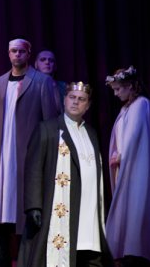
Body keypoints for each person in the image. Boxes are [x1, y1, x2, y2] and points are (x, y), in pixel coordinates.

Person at [0, 39, 59, 266]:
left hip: (26, 152)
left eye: (21, 52)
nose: (17, 55)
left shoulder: (42, 82)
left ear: (28, 54)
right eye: (13, 51)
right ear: (8, 54)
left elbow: (51, 123)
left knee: (25, 205)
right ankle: (1, 257)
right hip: (1, 153)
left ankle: (30, 258)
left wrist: (49, 155)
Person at [21, 82, 113, 267]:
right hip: (61, 208)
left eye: (81, 99)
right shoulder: (48, 129)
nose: (75, 102)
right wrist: (33, 206)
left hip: (89, 210)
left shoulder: (92, 134)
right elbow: (33, 168)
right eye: (72, 97)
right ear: (64, 100)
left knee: (90, 254)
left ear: (88, 105)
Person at [105, 66, 150, 266]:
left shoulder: (141, 104)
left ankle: (135, 252)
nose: (115, 93)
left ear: (130, 86)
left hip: (135, 166)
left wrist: (122, 156)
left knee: (136, 206)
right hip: (123, 166)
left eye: (118, 89)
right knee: (126, 206)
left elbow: (135, 137)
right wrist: (117, 155)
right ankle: (124, 250)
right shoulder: (125, 109)